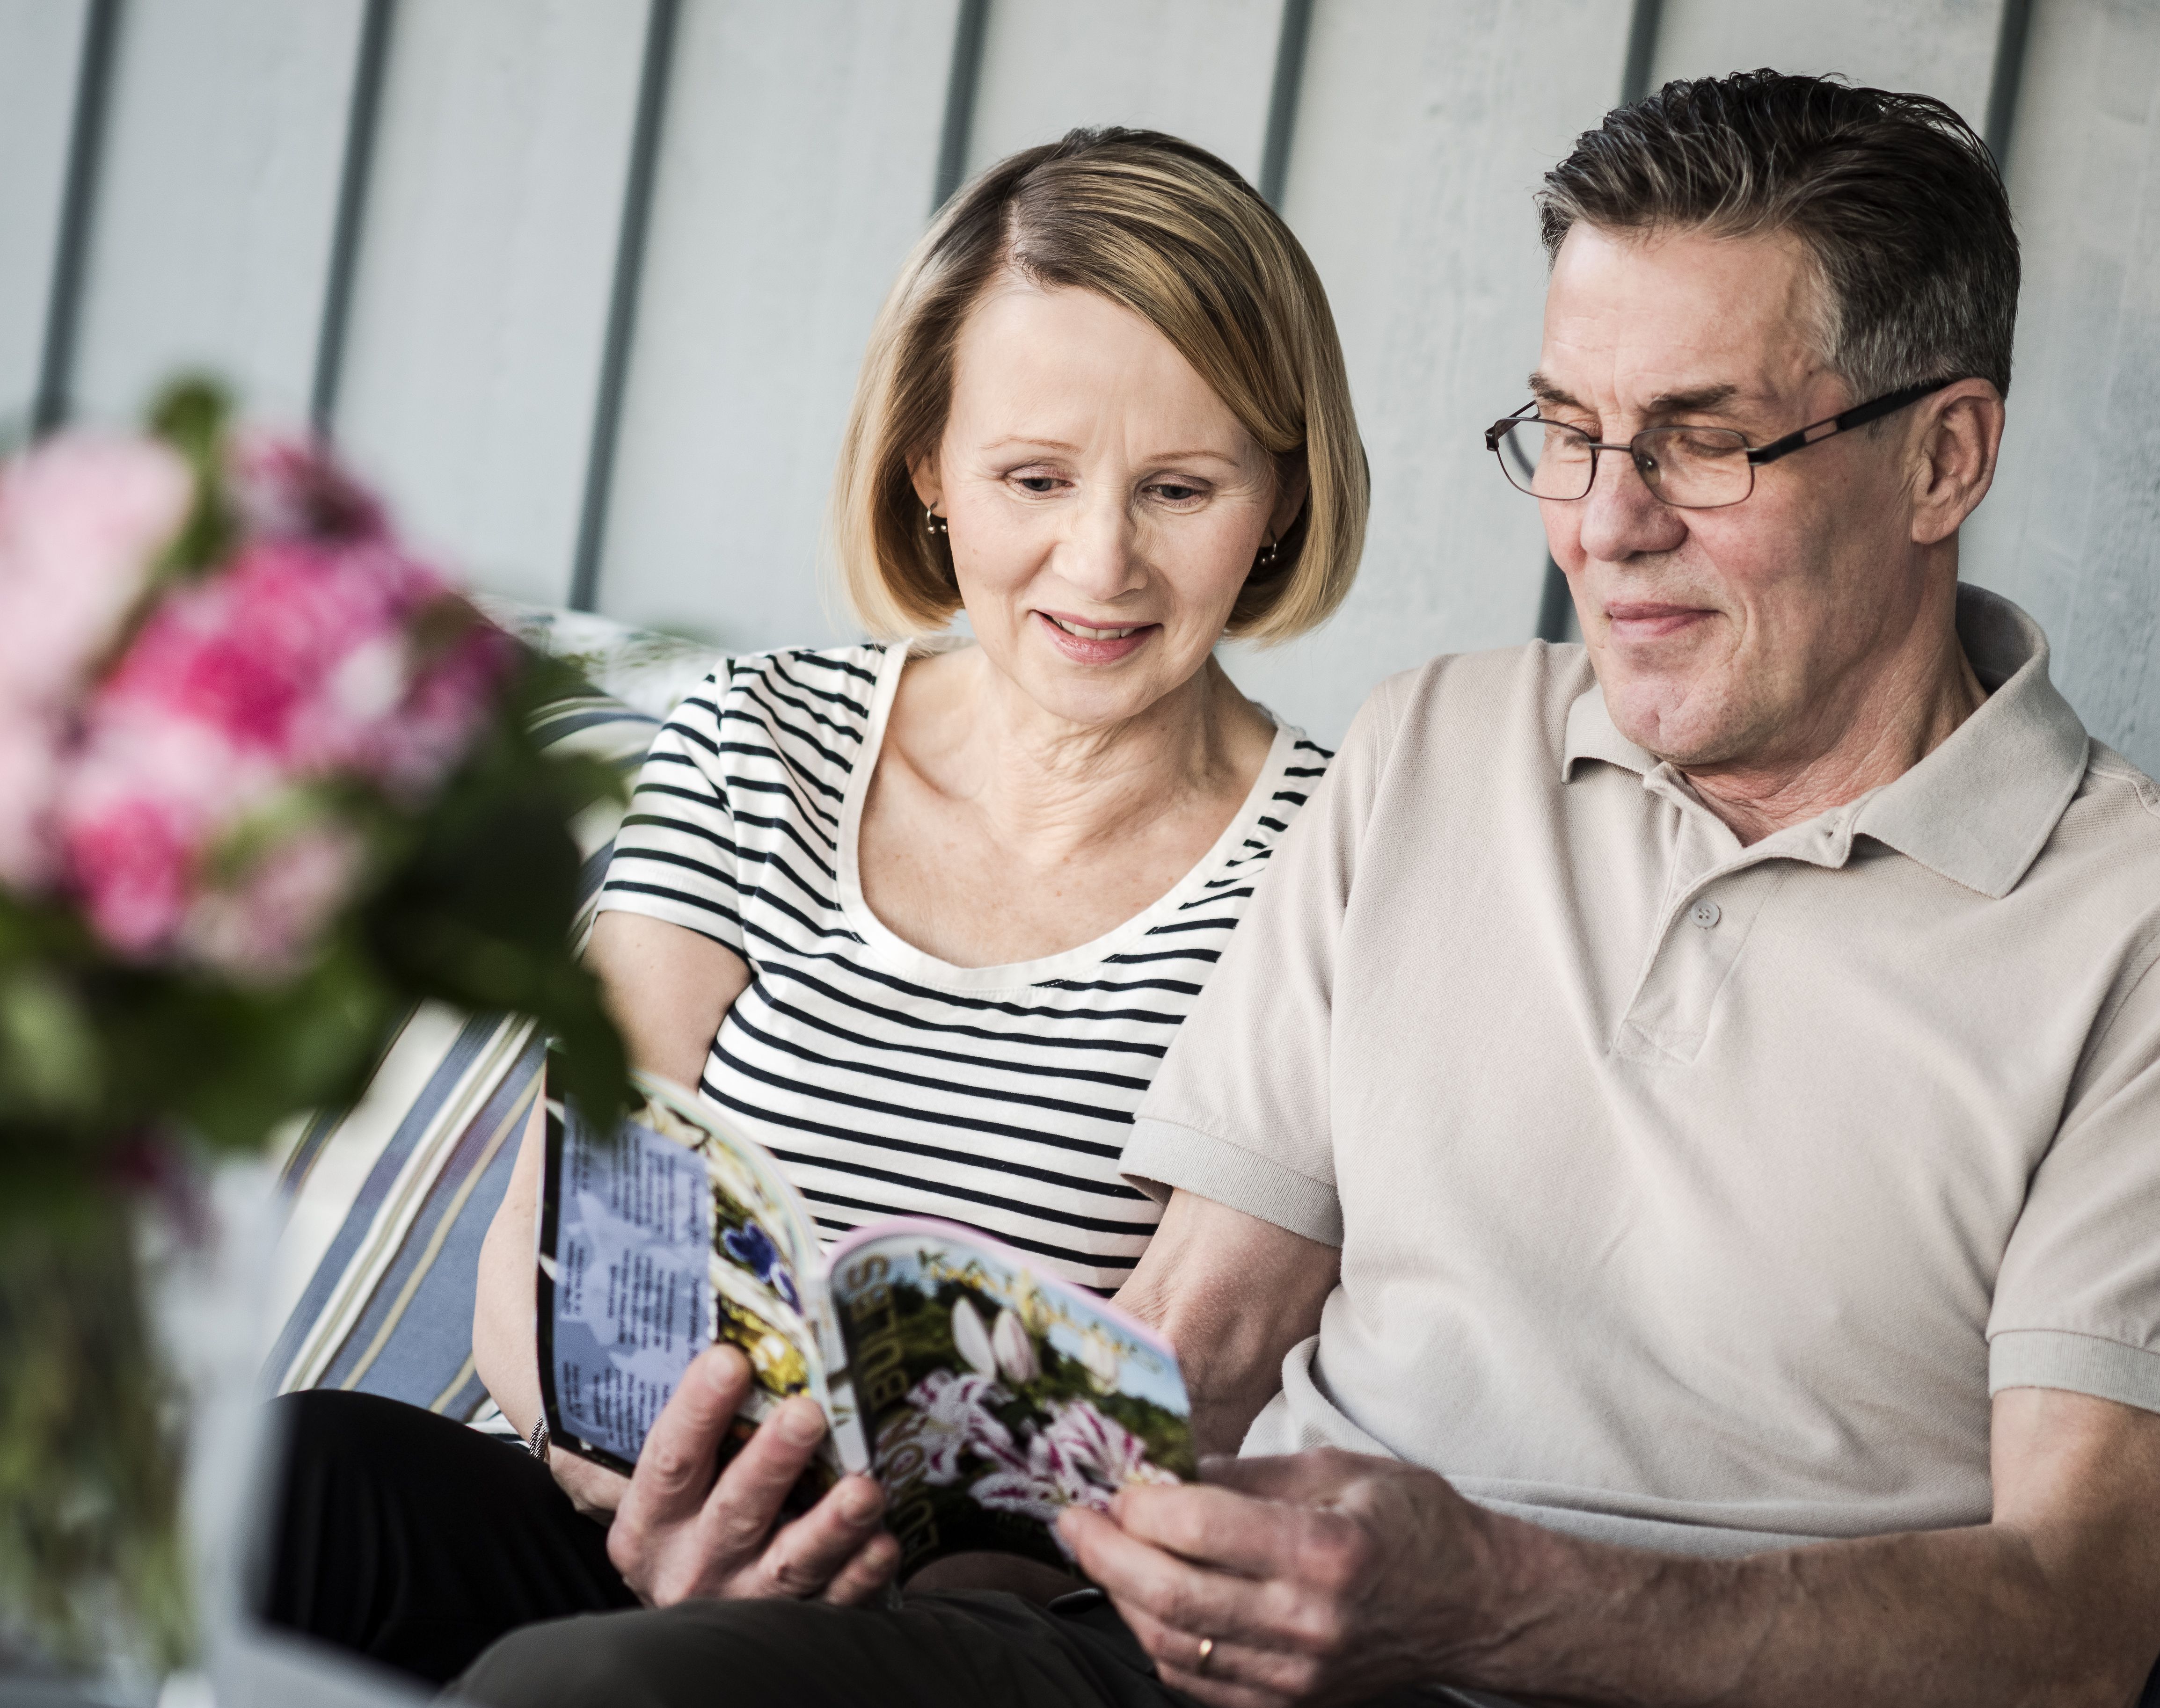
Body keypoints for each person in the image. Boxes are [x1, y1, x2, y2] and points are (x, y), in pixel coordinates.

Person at [452, 73, 2160, 1708]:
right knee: (581, 1668)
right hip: (1201, 1673)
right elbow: (1197, 1345)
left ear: (1943, 457)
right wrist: (809, 1534)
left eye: (1702, 441)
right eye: (1569, 433)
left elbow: (2071, 1623)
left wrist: (1497, 1593)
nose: (1605, 524)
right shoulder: (1440, 746)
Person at [259, 126, 1367, 1685]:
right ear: (928, 469)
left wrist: (806, 1569)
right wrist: (640, 1501)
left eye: (1179, 487)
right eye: (1033, 478)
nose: (1100, 559)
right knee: (288, 1483)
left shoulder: (1334, 856)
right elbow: (559, 1218)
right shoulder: (758, 735)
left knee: (610, 1683)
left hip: (969, 1624)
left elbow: (1199, 1379)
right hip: (636, 1510)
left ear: (1280, 496)